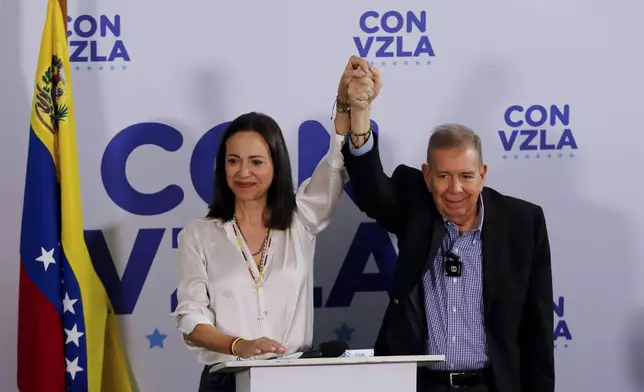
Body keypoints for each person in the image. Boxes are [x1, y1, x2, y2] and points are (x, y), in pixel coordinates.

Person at [338, 56, 555, 392]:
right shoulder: (417, 207)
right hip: (420, 385)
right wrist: (360, 112)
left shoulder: (523, 224)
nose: (455, 190)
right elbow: (372, 192)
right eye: (443, 176)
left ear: (482, 175)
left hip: (492, 385)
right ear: (427, 176)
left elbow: (538, 329)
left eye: (466, 176)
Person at [169, 108, 364, 391]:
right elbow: (191, 317)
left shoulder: (301, 219)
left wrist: (346, 114)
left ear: (276, 165)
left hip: (294, 378)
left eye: (256, 162)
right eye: (233, 161)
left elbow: (333, 167)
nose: (243, 172)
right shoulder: (198, 234)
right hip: (226, 380)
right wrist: (239, 346)